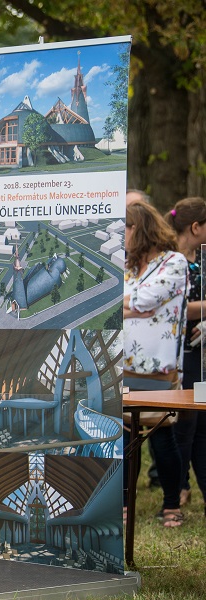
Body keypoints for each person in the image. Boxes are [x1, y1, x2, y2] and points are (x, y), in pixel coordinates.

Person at [123, 199, 188, 529]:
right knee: (123, 436)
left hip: (159, 367)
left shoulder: (174, 263)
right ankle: (123, 502)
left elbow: (144, 300)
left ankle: (171, 504)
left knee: (161, 436)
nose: (120, 235)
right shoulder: (129, 265)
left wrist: (132, 305)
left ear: (138, 229)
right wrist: (133, 307)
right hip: (124, 365)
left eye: (124, 228)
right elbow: (119, 301)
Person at [169, 197, 206, 512]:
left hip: (200, 352)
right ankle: (176, 490)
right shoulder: (170, 261)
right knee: (185, 424)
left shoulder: (201, 258)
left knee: (201, 422)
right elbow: (177, 305)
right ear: (195, 227)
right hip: (179, 353)